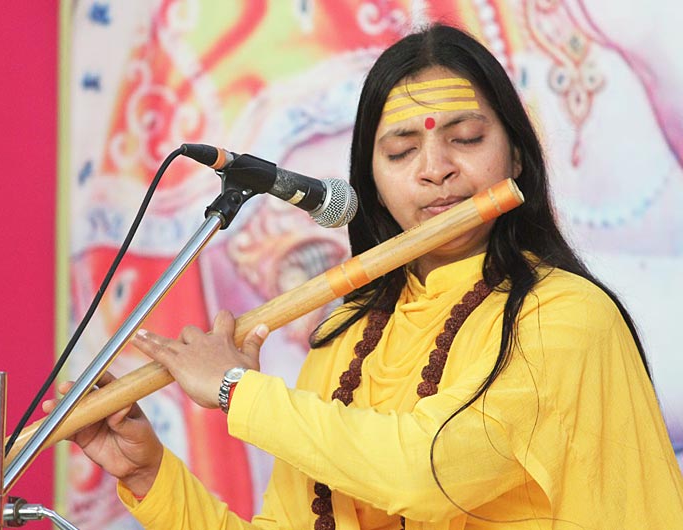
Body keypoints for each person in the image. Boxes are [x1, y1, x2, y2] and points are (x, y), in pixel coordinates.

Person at [45, 23, 683, 529]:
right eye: (402, 151)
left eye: (465, 138)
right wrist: (148, 475)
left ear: (516, 154)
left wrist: (239, 391)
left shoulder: (566, 317)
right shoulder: (347, 335)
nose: (434, 169)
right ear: (370, 180)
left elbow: (427, 472)